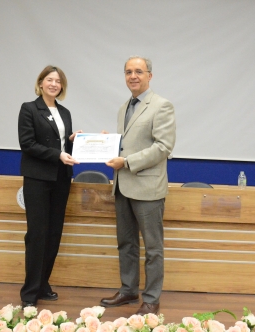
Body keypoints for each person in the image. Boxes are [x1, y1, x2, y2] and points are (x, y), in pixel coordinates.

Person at [100, 56, 176, 316]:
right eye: (128, 72)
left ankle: (152, 299)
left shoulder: (162, 105)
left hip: (148, 189)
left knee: (153, 249)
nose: (133, 76)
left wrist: (127, 161)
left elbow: (163, 147)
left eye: (139, 71)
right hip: (123, 187)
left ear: (149, 76)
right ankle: (129, 290)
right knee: (126, 244)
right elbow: (129, 143)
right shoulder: (124, 107)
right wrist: (108, 142)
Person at [18, 65, 80, 307]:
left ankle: (43, 284)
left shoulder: (64, 112)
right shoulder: (29, 109)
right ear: (41, 83)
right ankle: (29, 292)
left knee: (54, 234)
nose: (54, 84)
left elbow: (63, 146)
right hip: (38, 179)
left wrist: (74, 141)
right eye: (50, 80)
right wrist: (58, 154)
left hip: (61, 178)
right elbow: (27, 144)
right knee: (37, 234)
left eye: (58, 81)